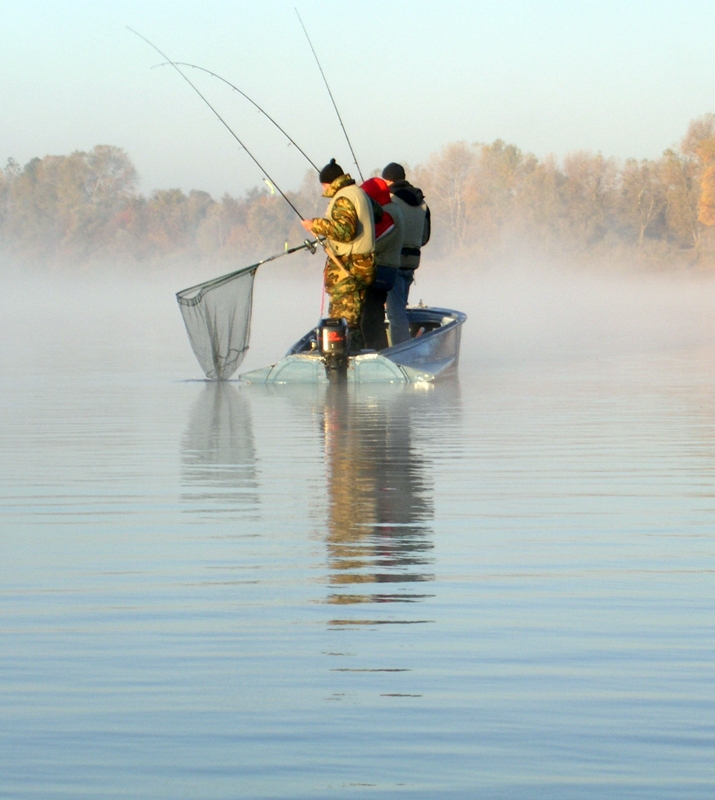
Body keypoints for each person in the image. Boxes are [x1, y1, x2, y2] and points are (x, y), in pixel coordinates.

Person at [301, 159, 375, 351]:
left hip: (349, 269)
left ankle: (345, 364)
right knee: (353, 320)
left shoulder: (343, 197)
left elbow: (345, 231)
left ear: (328, 183)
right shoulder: (360, 194)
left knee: (342, 321)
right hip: (362, 265)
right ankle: (355, 354)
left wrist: (315, 225)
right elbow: (380, 214)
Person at [381, 162, 431, 345]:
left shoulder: (391, 202)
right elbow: (424, 237)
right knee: (399, 308)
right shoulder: (422, 203)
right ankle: (403, 346)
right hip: (411, 263)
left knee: (395, 314)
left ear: (388, 180)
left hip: (392, 264)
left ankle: (400, 352)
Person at [359, 177, 404, 350]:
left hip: (382, 271)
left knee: (371, 317)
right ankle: (377, 350)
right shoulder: (390, 209)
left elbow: (372, 243)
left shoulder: (387, 215)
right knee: (373, 314)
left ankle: (376, 351)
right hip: (384, 269)